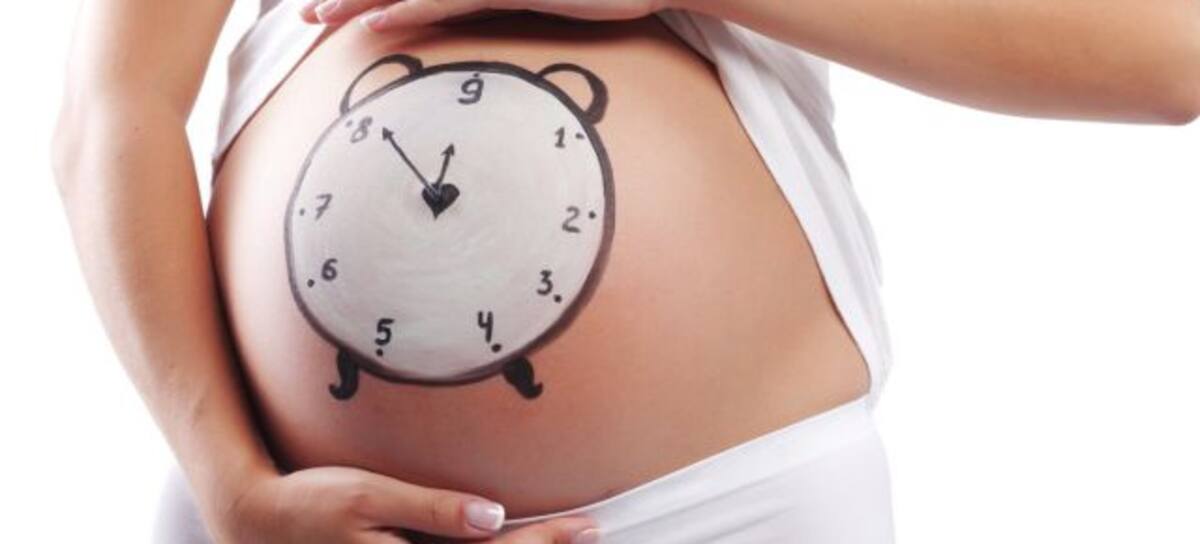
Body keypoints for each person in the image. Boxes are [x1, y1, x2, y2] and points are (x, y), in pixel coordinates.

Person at [51, 0, 1198, 543]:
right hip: (286, 515)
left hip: (727, 509)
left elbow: (1168, 52)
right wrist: (231, 485)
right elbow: (112, 105)